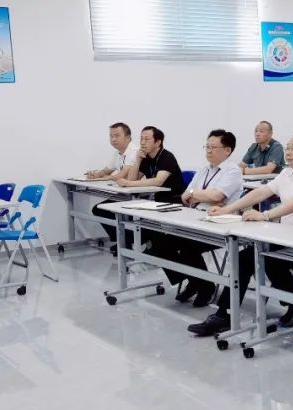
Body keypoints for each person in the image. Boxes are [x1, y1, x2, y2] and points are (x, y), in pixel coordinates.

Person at [187, 133, 293, 336]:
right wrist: (227, 209)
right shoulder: (287, 173)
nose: (288, 152)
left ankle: (292, 303)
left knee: (257, 257)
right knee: (251, 256)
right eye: (288, 148)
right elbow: (261, 192)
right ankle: (226, 314)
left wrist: (264, 215)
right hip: (286, 236)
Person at [116, 127, 209, 301]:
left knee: (167, 242)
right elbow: (133, 179)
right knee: (157, 243)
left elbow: (158, 181)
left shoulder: (167, 157)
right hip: (158, 205)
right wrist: (137, 160)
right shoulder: (145, 157)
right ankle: (193, 280)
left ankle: (200, 283)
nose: (142, 143)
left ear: (158, 142)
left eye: (147, 139)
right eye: (141, 139)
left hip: (177, 203)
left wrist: (129, 183)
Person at [164, 129, 245, 303]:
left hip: (219, 225)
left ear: (227, 150)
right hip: (195, 218)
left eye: (213, 147)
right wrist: (200, 195)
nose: (208, 150)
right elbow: (185, 195)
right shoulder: (204, 170)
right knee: (163, 242)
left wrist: (195, 194)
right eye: (207, 146)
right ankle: (198, 282)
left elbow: (217, 196)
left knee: (187, 246)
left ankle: (202, 284)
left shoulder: (233, 171)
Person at [88, 122, 138, 244]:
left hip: (138, 195)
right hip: (124, 194)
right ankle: (122, 243)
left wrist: (104, 177)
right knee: (99, 210)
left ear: (128, 137)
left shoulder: (134, 151)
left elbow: (122, 175)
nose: (113, 139)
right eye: (111, 136)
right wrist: (95, 174)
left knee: (102, 210)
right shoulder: (118, 152)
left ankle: (126, 243)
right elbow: (106, 170)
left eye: (117, 136)